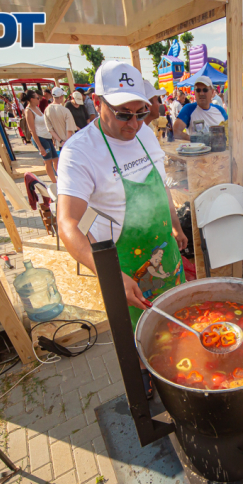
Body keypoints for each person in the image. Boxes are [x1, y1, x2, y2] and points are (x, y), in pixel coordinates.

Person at [56, 61, 187, 399]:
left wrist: (174, 224)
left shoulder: (145, 133)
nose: (134, 124)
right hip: (123, 264)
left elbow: (159, 184)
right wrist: (111, 275)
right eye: (123, 114)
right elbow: (68, 224)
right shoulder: (79, 152)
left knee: (173, 320)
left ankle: (176, 365)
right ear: (98, 101)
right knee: (138, 333)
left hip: (165, 250)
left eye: (141, 112)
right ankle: (143, 374)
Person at [172, 76, 228, 141]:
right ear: (195, 92)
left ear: (212, 92)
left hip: (218, 150)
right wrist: (194, 139)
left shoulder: (220, 110)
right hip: (197, 151)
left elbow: (230, 131)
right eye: (198, 90)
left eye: (205, 90)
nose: (201, 93)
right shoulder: (189, 109)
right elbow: (175, 132)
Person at [22, 90, 59, 182]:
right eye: (37, 98)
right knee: (48, 161)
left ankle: (60, 178)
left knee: (56, 159)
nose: (40, 99)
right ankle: (54, 181)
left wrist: (52, 136)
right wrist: (40, 146)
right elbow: (32, 130)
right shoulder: (29, 111)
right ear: (31, 99)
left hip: (47, 137)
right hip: (40, 138)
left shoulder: (37, 108)